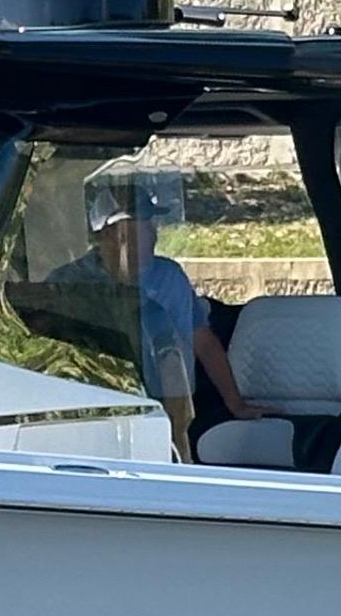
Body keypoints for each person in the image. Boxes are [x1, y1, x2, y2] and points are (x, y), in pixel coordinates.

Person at [91, 178, 255, 429]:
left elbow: (203, 342)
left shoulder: (169, 276)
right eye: (140, 225)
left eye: (151, 224)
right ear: (108, 234)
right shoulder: (70, 279)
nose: (152, 233)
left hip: (164, 407)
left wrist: (237, 405)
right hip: (100, 407)